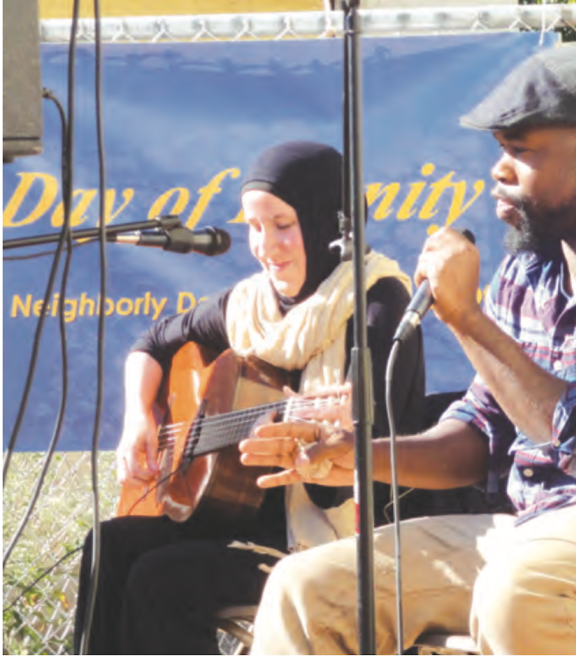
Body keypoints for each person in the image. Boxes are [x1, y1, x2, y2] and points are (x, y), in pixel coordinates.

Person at [240, 45, 576, 655]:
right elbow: (481, 436)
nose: (498, 170)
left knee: (524, 591)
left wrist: (467, 318)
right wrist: (357, 456)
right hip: (537, 534)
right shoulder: (529, 273)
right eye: (501, 150)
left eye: (522, 152)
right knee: (304, 588)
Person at [72, 141, 425, 655]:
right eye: (254, 228)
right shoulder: (251, 305)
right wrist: (138, 422)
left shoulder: (376, 302)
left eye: (283, 225)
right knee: (107, 546)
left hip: (335, 544)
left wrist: (317, 448)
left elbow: (360, 474)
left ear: (331, 224)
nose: (265, 246)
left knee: (162, 579)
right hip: (239, 524)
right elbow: (150, 346)